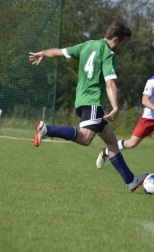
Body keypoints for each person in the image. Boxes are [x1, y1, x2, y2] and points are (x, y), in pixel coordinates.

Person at [29, 22, 147, 191]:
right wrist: (115, 107)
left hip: (81, 101)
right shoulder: (108, 52)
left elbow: (59, 52)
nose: (122, 48)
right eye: (123, 44)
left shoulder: (87, 45)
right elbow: (110, 82)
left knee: (112, 141)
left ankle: (130, 180)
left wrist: (43, 53)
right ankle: (47, 129)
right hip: (92, 102)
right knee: (85, 138)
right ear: (115, 39)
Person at [96, 54, 154, 179]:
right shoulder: (152, 82)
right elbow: (144, 100)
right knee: (131, 143)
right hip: (149, 118)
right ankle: (104, 152)